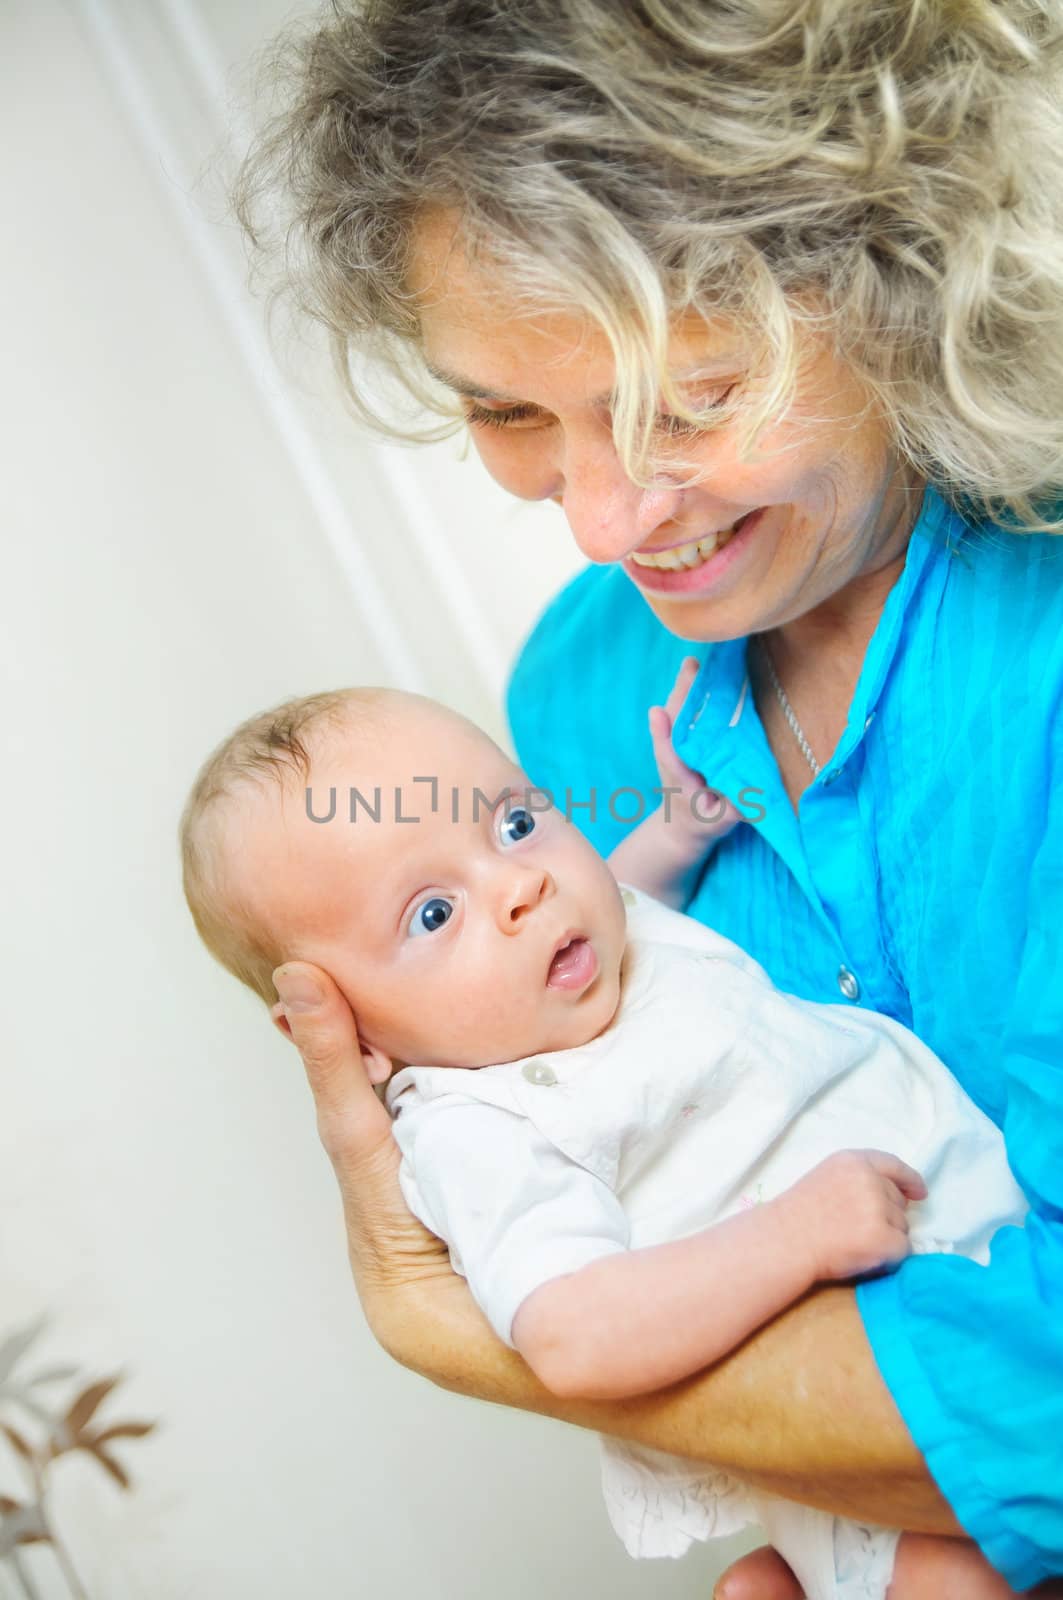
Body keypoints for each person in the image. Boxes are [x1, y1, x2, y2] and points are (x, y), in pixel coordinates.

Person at [232, 2, 1063, 1594]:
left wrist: (456, 1328)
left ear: (906, 279)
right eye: (507, 409)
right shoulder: (573, 694)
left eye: (687, 397)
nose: (605, 520)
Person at [178, 683, 1027, 1599]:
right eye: (432, 913)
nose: (520, 887)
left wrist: (677, 831)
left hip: (982, 1263)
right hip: (851, 1416)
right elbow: (569, 1334)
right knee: (963, 1573)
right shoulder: (475, 1127)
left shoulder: (566, 947)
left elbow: (619, 893)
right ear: (345, 1032)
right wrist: (794, 1237)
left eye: (510, 824)